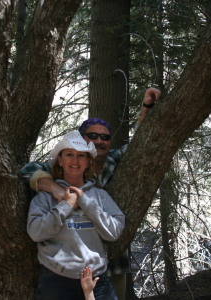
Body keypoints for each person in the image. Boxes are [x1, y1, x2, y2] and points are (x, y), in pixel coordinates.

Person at [20, 87, 161, 300]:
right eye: (92, 135)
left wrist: (146, 109)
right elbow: (26, 171)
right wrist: (58, 192)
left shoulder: (113, 162)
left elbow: (140, 144)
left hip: (108, 268)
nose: (99, 140)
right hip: (60, 274)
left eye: (104, 137)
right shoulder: (59, 169)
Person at [27, 130, 125, 300]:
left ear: (88, 162)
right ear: (60, 160)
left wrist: (85, 202)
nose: (75, 161)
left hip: (96, 280)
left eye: (81, 156)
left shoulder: (100, 195)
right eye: (69, 155)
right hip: (56, 281)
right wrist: (66, 206)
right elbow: (35, 232)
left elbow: (114, 232)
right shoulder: (45, 196)